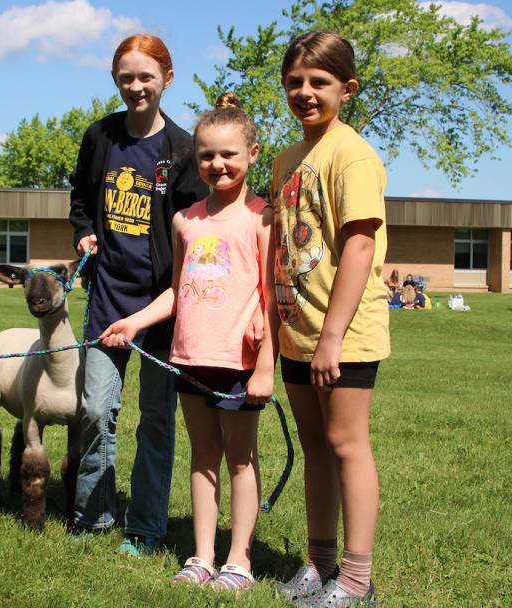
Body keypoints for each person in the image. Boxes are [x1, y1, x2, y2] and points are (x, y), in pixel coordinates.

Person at [100, 93, 277, 591]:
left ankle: (238, 561)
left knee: (241, 460)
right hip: (188, 358)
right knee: (202, 459)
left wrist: (265, 366)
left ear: (253, 155)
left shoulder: (263, 219)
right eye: (206, 156)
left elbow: (270, 298)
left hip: (238, 363)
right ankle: (201, 557)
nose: (217, 164)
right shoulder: (185, 221)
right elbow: (177, 291)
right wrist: (133, 323)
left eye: (229, 155)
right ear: (193, 158)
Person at [68, 34, 210, 556]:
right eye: (127, 77)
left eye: (146, 77)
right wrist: (84, 230)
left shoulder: (182, 150)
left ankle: (145, 526)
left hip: (164, 309)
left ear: (167, 80)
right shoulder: (100, 135)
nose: (136, 87)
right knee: (93, 408)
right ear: (115, 80)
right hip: (107, 299)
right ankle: (93, 514)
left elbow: (198, 227)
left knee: (155, 418)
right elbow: (81, 197)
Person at [272, 30, 389, 607]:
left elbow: (360, 249)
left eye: (319, 82)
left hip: (343, 336)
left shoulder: (353, 154)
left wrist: (333, 338)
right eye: (295, 82)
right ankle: (319, 565)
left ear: (348, 88)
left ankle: (357, 579)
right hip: (297, 331)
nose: (305, 92)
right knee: (315, 446)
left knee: (346, 444)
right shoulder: (286, 160)